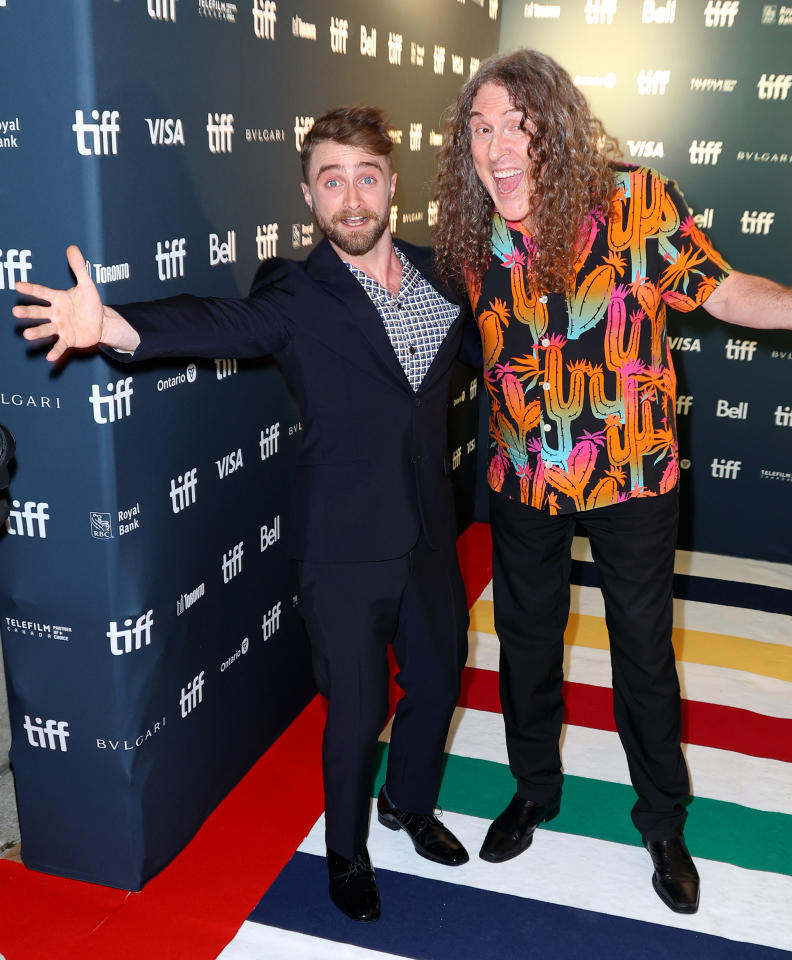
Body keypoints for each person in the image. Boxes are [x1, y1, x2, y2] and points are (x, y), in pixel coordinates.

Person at [433, 49, 792, 915]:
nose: (497, 145)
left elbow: (722, 290)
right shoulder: (473, 227)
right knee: (528, 641)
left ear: (556, 125)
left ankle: (662, 820)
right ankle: (535, 789)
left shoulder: (633, 201)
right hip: (521, 476)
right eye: (479, 127)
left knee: (643, 653)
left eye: (517, 123)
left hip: (632, 475)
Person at [14, 106, 475, 924]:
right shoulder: (295, 292)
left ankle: (408, 804)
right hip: (342, 546)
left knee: (438, 686)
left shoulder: (446, 277)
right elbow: (219, 318)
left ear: (392, 185)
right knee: (359, 709)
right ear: (309, 196)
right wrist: (116, 326)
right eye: (332, 181)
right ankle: (346, 853)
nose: (352, 197)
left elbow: (505, 353)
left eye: (366, 177)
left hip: (433, 535)